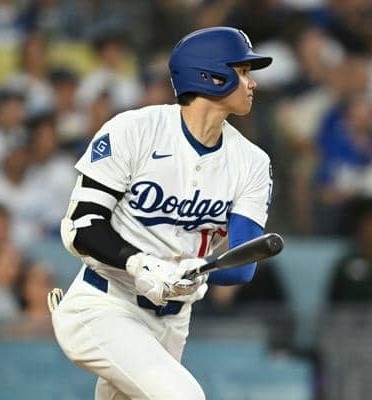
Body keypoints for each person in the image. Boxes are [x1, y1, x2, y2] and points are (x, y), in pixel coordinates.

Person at [48, 27, 274, 400]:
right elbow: (82, 226)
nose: (252, 83)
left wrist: (198, 272)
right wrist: (141, 264)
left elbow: (243, 264)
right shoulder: (135, 129)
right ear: (211, 76)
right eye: (243, 71)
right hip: (105, 303)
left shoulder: (252, 162)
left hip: (172, 323)